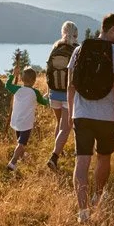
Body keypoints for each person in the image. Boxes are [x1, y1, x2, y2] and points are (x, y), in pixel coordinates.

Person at [68, 13, 114, 223]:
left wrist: (71, 114)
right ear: (111, 30)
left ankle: (82, 212)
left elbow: (71, 85)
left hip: (82, 115)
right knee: (104, 158)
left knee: (82, 160)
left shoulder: (79, 50)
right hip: (107, 117)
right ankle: (98, 195)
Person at [45, 21, 79, 171]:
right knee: (65, 128)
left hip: (53, 92)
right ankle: (54, 156)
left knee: (59, 123)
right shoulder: (76, 49)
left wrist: (48, 91)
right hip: (67, 94)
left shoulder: (55, 47)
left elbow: (47, 71)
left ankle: (59, 150)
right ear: (76, 34)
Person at [5, 65, 49, 171]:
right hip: (26, 123)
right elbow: (44, 102)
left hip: (16, 120)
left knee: (20, 142)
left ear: (22, 79)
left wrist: (13, 74)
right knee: (21, 143)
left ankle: (21, 156)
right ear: (34, 80)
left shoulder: (17, 89)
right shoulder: (35, 93)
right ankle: (12, 162)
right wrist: (48, 96)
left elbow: (7, 85)